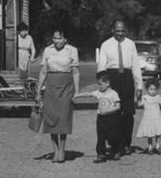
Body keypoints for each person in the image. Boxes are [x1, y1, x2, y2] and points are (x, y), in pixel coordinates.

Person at [97, 20, 143, 155]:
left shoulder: (130, 44)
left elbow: (135, 65)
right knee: (113, 113)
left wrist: (139, 85)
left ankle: (127, 143)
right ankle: (116, 144)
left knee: (128, 113)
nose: (120, 33)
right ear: (113, 30)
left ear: (126, 31)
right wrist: (103, 85)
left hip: (127, 78)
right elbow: (101, 67)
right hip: (113, 77)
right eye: (117, 31)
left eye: (122, 31)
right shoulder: (106, 45)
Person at [36, 29, 80, 163]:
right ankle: (55, 150)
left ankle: (62, 149)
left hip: (66, 86)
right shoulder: (48, 50)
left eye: (60, 38)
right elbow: (43, 71)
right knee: (51, 118)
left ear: (65, 39)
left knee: (64, 118)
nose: (57, 41)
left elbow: (76, 72)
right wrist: (38, 90)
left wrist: (77, 91)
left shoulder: (72, 50)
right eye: (55, 38)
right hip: (51, 86)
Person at [75, 71, 122, 163]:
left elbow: (118, 106)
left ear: (107, 83)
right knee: (101, 137)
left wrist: (108, 110)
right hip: (101, 119)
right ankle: (101, 154)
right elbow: (88, 94)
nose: (99, 86)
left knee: (112, 136)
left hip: (111, 119)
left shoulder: (113, 94)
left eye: (100, 84)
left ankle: (116, 150)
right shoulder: (99, 92)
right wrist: (78, 95)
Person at [136, 78, 161, 155]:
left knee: (158, 132)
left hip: (156, 118)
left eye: (154, 89)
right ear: (147, 89)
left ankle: (157, 146)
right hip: (148, 118)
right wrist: (138, 98)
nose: (153, 91)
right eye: (151, 89)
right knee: (149, 133)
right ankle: (150, 147)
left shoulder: (158, 97)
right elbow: (139, 104)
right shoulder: (145, 98)